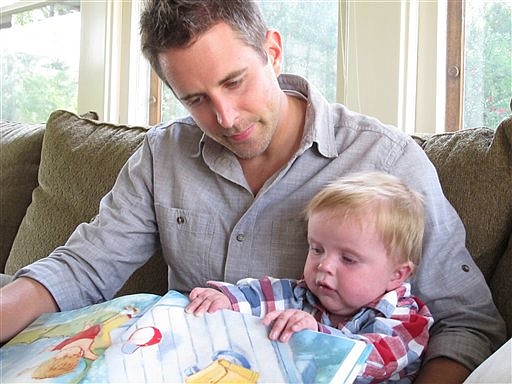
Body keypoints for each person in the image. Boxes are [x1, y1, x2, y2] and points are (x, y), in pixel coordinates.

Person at [0, 1, 504, 382]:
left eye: (236, 82)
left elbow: (465, 324)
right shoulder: (162, 156)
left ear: (273, 51)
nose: (225, 118)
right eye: (196, 99)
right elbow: (83, 268)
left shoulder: (387, 162)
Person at [186, 172, 434, 382]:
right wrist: (224, 300)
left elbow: (373, 360)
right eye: (317, 249)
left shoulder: (405, 320)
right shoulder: (300, 294)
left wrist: (315, 335)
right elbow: (259, 294)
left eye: (347, 259)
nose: (324, 265)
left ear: (396, 275)